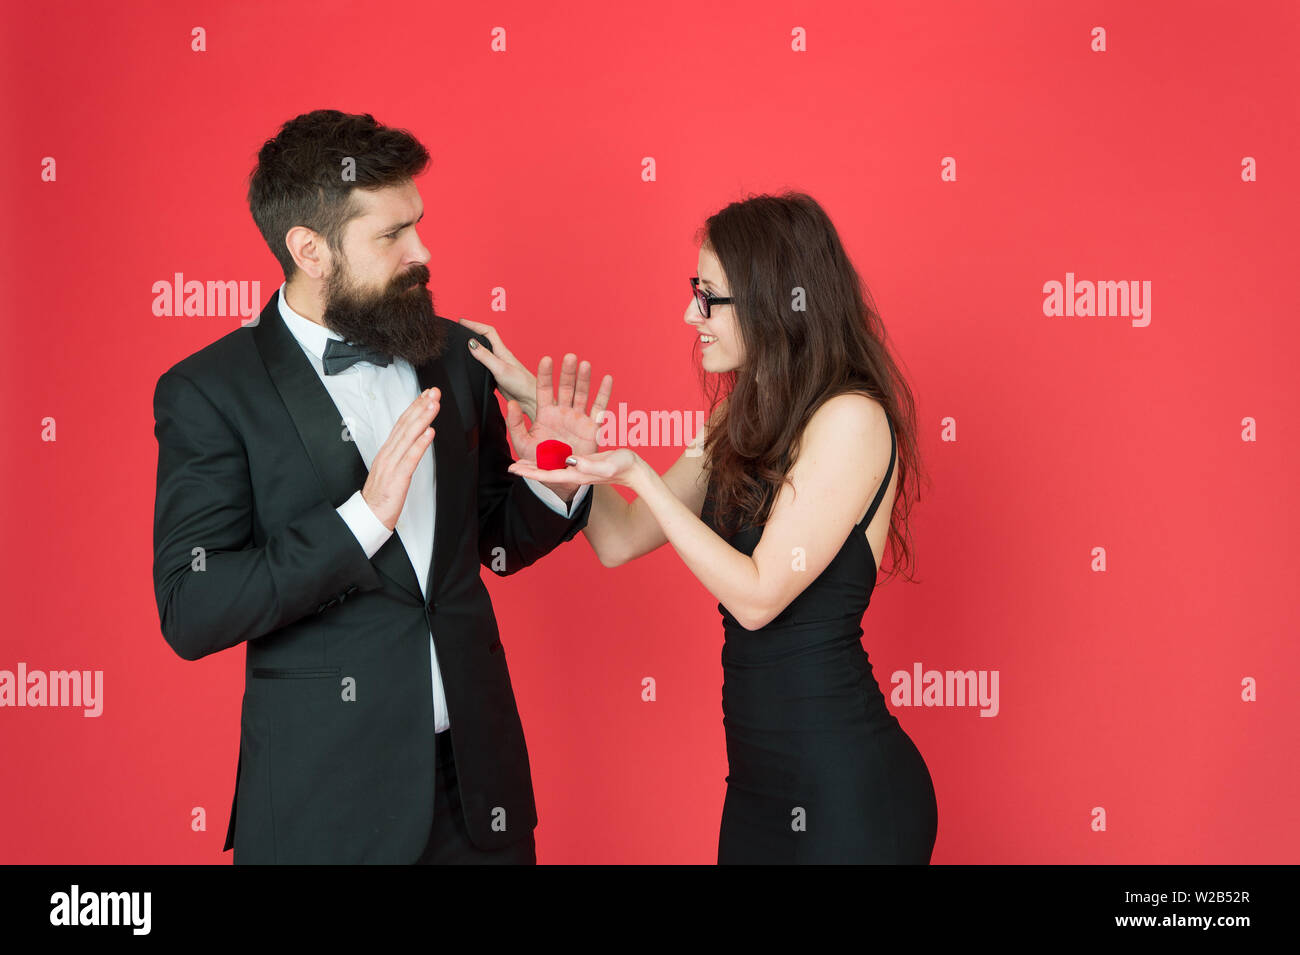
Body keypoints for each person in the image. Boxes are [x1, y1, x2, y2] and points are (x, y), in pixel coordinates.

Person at [151, 109, 608, 864]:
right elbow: (192, 608)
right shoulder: (209, 391)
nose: (421, 251)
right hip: (323, 813)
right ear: (309, 249)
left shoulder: (458, 353)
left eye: (417, 225)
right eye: (391, 235)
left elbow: (488, 543)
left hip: (479, 798)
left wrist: (553, 485)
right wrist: (361, 520)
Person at [464, 191, 938, 863]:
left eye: (710, 296)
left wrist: (640, 476)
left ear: (773, 298)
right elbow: (619, 539)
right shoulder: (734, 421)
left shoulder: (850, 419)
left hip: (847, 795)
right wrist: (549, 421)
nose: (693, 314)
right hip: (756, 789)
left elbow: (757, 595)